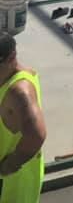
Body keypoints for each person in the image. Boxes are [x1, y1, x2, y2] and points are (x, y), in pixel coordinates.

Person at [0, 32, 45, 202]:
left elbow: (36, 135)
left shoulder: (19, 93)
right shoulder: (9, 75)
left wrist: (8, 167)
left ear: (11, 57)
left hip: (9, 185)